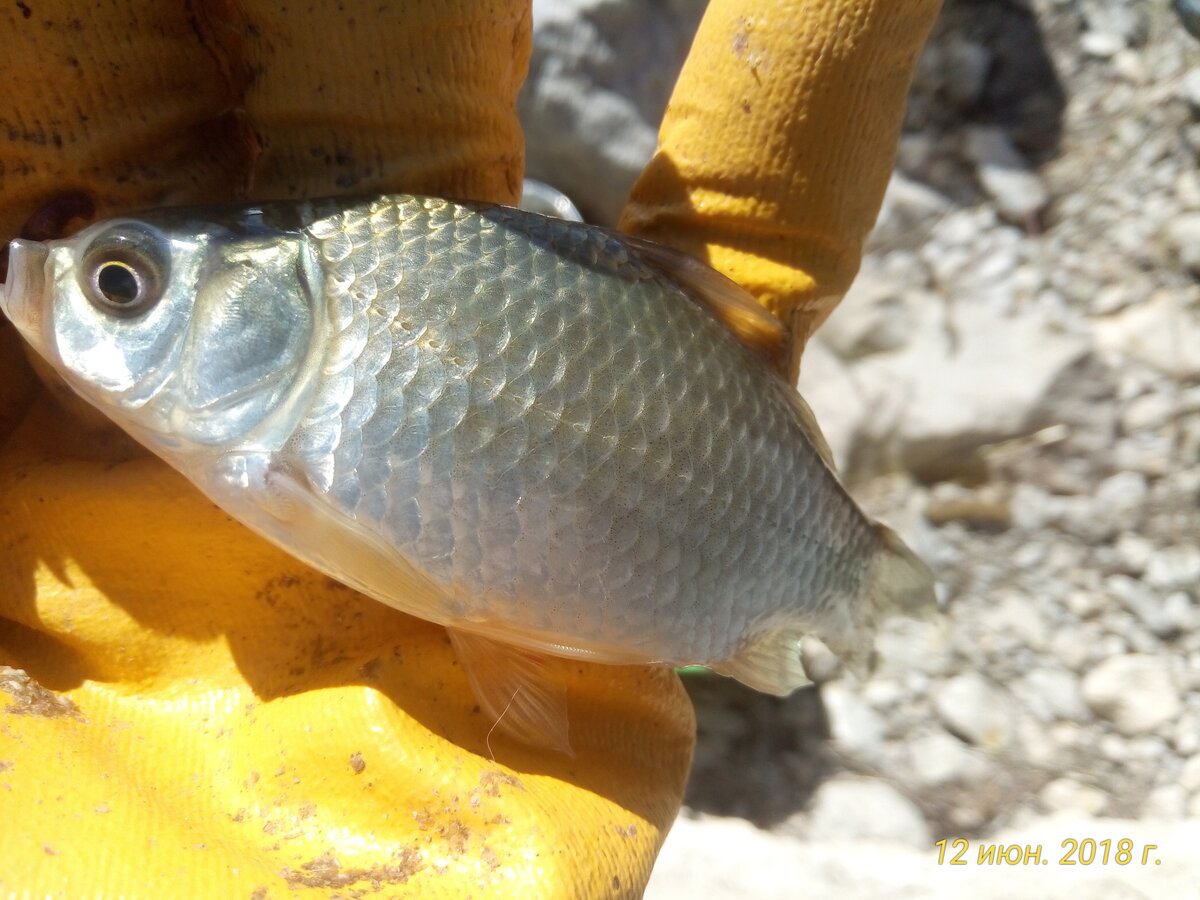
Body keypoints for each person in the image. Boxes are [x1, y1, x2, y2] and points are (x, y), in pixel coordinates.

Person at [0, 1, 941, 894]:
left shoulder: (286, 427)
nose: (35, 276)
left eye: (119, 284)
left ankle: (858, 589)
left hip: (733, 515)